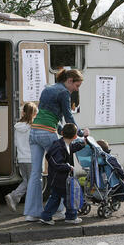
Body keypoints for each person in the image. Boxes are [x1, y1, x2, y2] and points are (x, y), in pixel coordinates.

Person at [24, 69, 89, 222]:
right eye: (77, 85)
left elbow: (52, 117)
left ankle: (32, 213)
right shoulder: (64, 93)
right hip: (47, 132)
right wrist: (80, 133)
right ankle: (59, 210)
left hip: (34, 132)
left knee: (35, 174)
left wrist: (61, 130)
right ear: (70, 80)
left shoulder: (47, 89)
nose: (76, 89)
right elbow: (68, 116)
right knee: (59, 170)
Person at [40, 123, 86, 225]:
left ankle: (46, 216)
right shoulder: (60, 147)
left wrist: (83, 144)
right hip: (60, 179)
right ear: (75, 137)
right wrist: (68, 167)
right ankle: (71, 216)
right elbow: (57, 163)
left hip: (57, 178)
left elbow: (72, 148)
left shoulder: (63, 144)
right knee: (69, 198)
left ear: (61, 133)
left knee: (56, 198)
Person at [4, 102, 38, 212]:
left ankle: (15, 198)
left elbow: (16, 143)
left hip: (21, 157)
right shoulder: (32, 127)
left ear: (24, 112)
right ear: (33, 114)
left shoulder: (18, 126)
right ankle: (14, 196)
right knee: (31, 182)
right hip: (30, 158)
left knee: (26, 180)